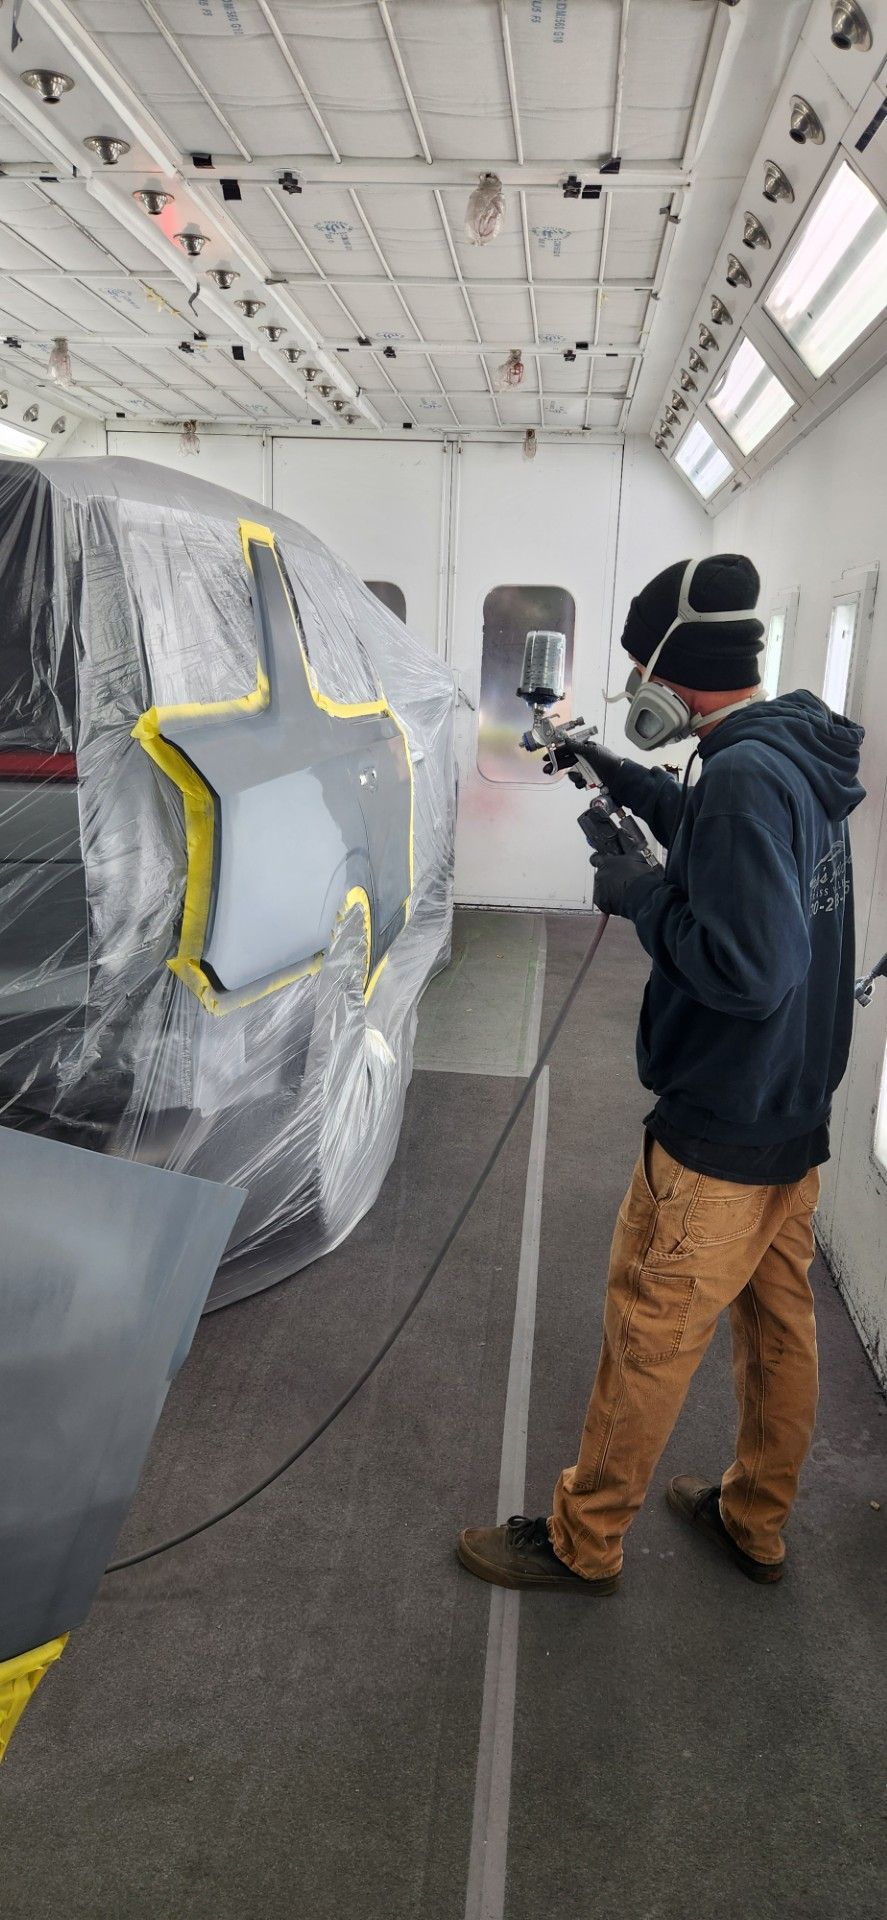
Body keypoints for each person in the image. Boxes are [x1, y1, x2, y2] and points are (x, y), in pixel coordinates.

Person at [458, 553, 865, 1594]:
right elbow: (737, 858)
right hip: (794, 1114)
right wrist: (620, 773)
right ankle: (752, 1517)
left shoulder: (737, 778)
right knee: (779, 1331)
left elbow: (747, 968)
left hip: (718, 1132)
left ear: (668, 667)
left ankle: (580, 1539)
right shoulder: (791, 746)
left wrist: (637, 893)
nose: (632, 676)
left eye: (638, 658)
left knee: (647, 1333)